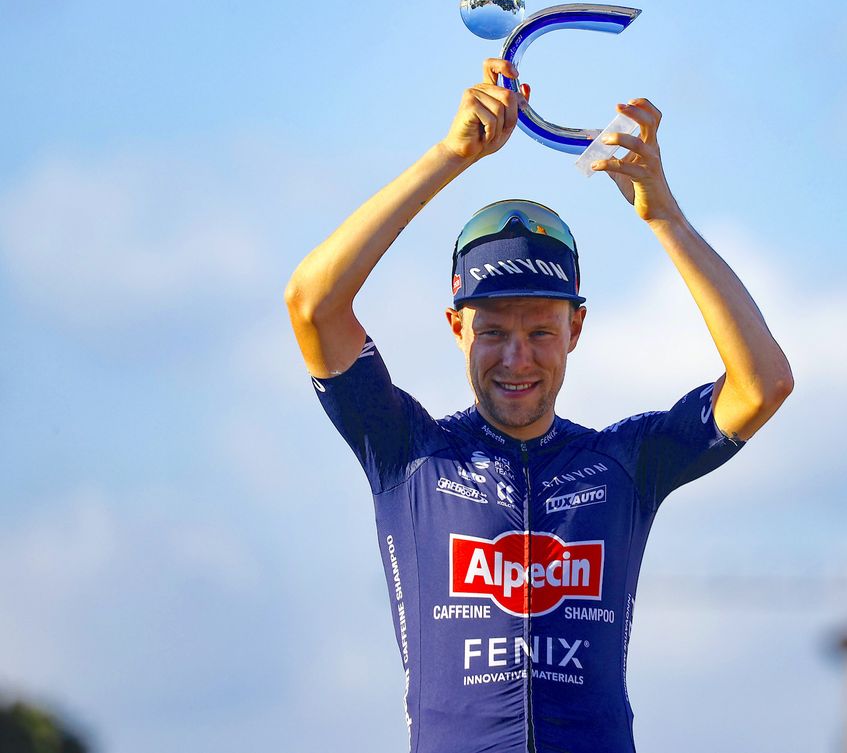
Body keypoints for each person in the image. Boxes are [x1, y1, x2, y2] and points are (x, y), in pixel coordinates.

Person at [284, 58, 793, 753]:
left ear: (576, 331)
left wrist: (664, 213)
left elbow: (761, 383)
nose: (517, 358)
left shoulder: (623, 462)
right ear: (456, 326)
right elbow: (312, 303)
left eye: (540, 332)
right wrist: (450, 155)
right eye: (492, 331)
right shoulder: (410, 452)